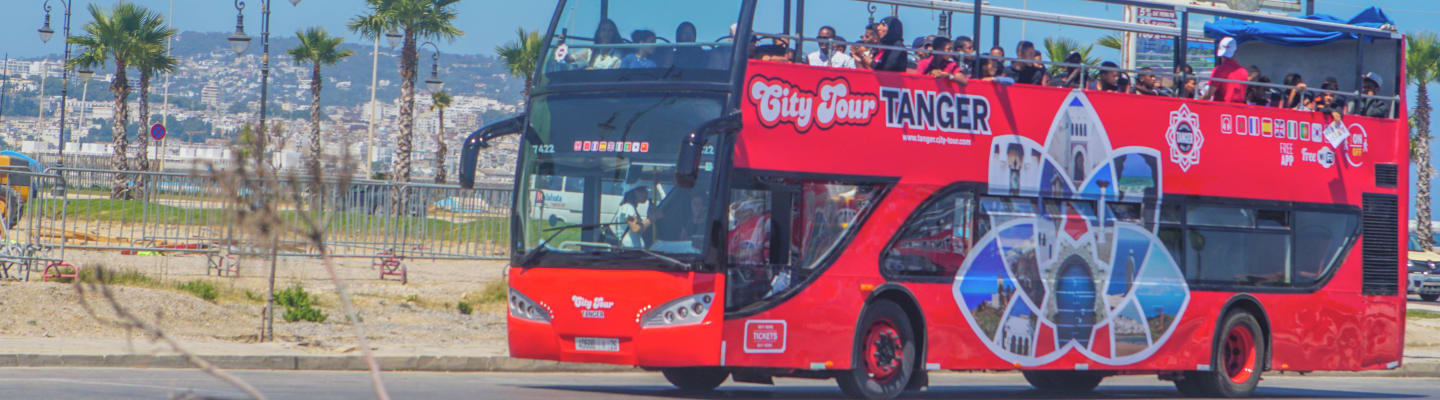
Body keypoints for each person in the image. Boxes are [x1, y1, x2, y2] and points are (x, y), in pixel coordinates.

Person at [1205, 37, 1247, 103]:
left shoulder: (1218, 70)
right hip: (1239, 111)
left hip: (1221, 109)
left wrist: (1196, 104)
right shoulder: (1244, 71)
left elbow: (1208, 95)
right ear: (1235, 53)